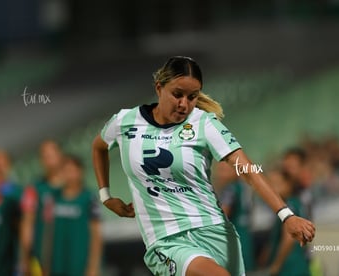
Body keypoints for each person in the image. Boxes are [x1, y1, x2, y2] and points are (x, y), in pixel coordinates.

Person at [92, 56, 315, 276]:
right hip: (166, 241)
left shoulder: (204, 124)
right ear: (159, 88)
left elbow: (247, 170)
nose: (184, 104)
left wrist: (287, 215)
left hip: (216, 233)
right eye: (177, 94)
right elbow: (98, 147)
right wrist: (106, 196)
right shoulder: (125, 121)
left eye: (192, 97)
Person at [50, 155, 103, 276]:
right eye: (66, 171)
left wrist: (93, 267)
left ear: (80, 172)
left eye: (73, 171)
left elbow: (96, 235)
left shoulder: (89, 198)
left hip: (80, 265)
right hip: (57, 264)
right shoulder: (54, 197)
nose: (70, 175)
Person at [20, 140, 65, 275]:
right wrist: (25, 256)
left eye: (51, 155)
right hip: (44, 255)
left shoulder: (75, 187)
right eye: (44, 156)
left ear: (60, 156)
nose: (48, 159)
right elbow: (27, 224)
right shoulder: (34, 189)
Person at [264, 169, 311, 276]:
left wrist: (276, 265)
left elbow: (288, 239)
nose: (272, 189)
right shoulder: (296, 203)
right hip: (299, 264)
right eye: (270, 184)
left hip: (290, 267)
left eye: (277, 184)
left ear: (288, 185)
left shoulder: (288, 206)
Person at [215, 161, 255, 272]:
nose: (220, 174)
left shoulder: (230, 189)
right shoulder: (245, 187)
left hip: (233, 239)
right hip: (246, 237)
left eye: (224, 170)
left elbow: (223, 215)